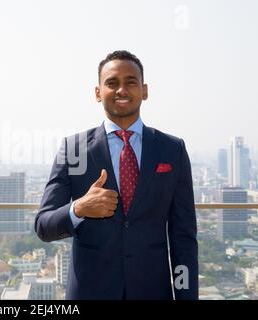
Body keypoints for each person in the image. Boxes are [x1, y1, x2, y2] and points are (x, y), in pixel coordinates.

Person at [35, 50, 198, 300]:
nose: (122, 90)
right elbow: (44, 226)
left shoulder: (172, 150)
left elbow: (183, 239)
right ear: (98, 93)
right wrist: (78, 208)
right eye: (112, 83)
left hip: (153, 291)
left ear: (144, 91)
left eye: (130, 82)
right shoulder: (74, 150)